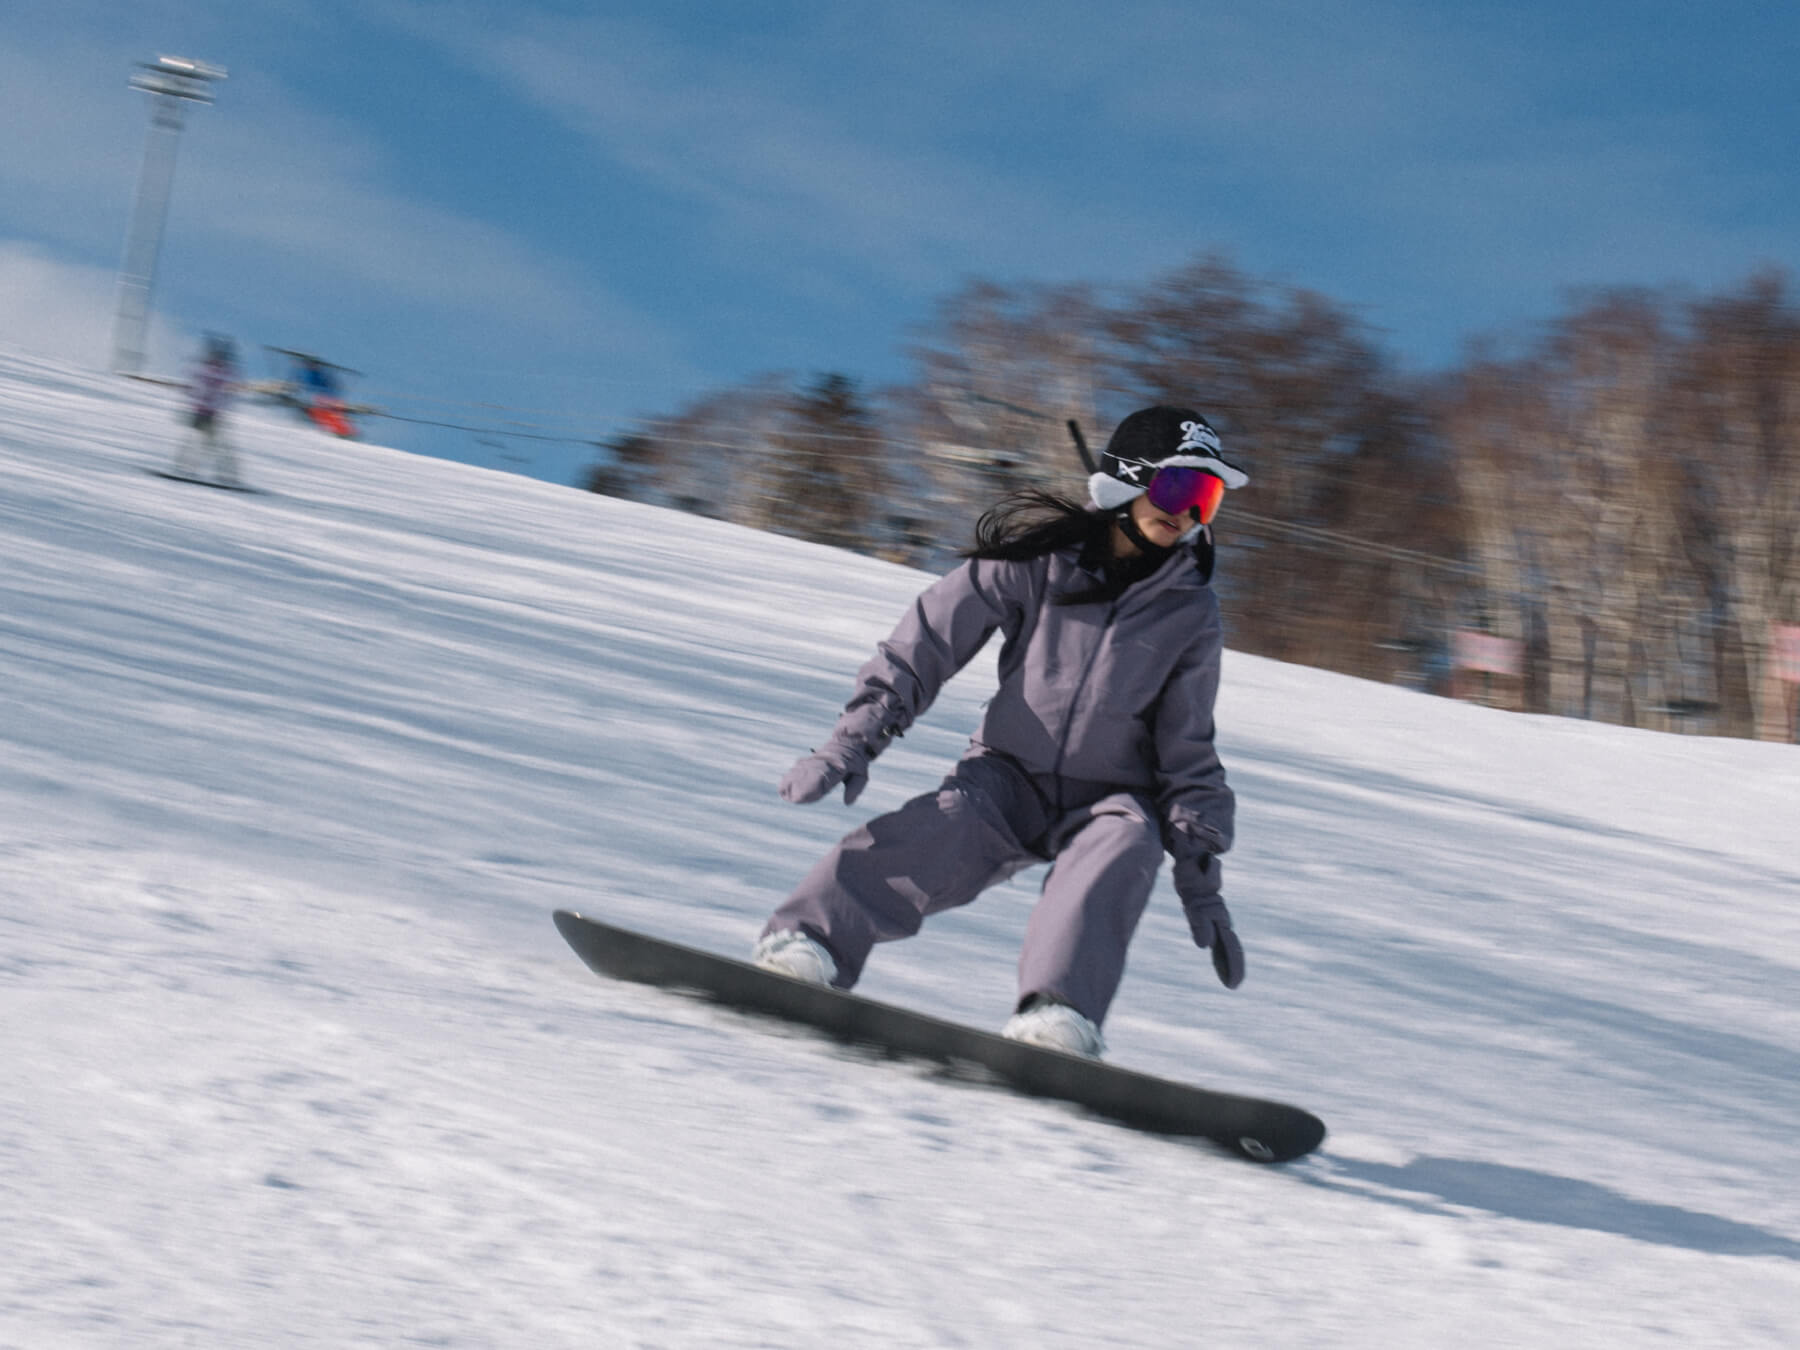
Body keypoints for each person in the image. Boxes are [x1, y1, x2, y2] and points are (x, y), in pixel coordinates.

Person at [754, 406, 1250, 1058]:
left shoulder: (1189, 610)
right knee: (942, 825)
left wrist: (1199, 874)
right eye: (1180, 488)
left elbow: (1187, 745)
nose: (1187, 514)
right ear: (1130, 480)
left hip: (1110, 796)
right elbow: (925, 644)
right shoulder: (1039, 563)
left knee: (1128, 838)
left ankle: (1058, 1013)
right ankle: (808, 941)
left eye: (1207, 499)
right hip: (1008, 774)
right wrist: (855, 739)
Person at [170, 335, 242, 485]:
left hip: (212, 415)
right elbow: (192, 388)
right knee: (194, 441)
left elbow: (229, 396)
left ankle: (227, 475)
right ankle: (185, 468)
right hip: (201, 412)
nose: (216, 361)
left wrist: (222, 405)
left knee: (218, 445)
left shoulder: (225, 374)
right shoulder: (204, 371)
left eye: (218, 358)